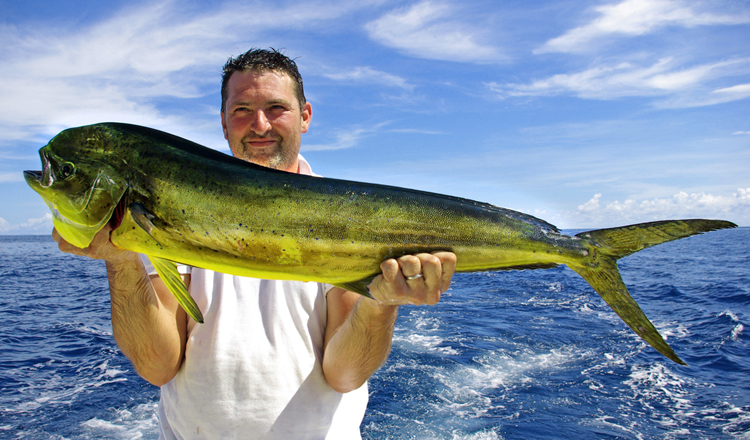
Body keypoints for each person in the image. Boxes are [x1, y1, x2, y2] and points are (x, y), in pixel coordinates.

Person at [53, 48, 457, 439]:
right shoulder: (170, 207)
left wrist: (381, 301)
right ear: (224, 123)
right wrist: (121, 261)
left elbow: (345, 374)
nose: (259, 125)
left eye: (276, 108)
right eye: (242, 111)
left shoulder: (347, 221)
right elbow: (157, 365)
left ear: (305, 117)